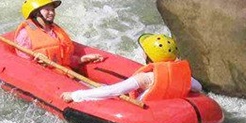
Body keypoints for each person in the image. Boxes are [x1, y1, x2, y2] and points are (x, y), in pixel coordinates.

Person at [62, 33, 202, 103]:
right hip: (170, 113)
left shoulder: (145, 78)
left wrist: (75, 95)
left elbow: (112, 91)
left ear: (149, 56)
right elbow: (198, 88)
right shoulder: (185, 77)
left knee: (103, 88)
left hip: (146, 116)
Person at [13, 0, 103, 70]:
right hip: (45, 79)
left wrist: (81, 59)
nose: (51, 12)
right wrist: (38, 63)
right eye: (47, 10)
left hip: (64, 75)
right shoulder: (25, 35)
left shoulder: (56, 31)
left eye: (52, 9)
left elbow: (66, 60)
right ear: (36, 13)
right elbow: (25, 68)